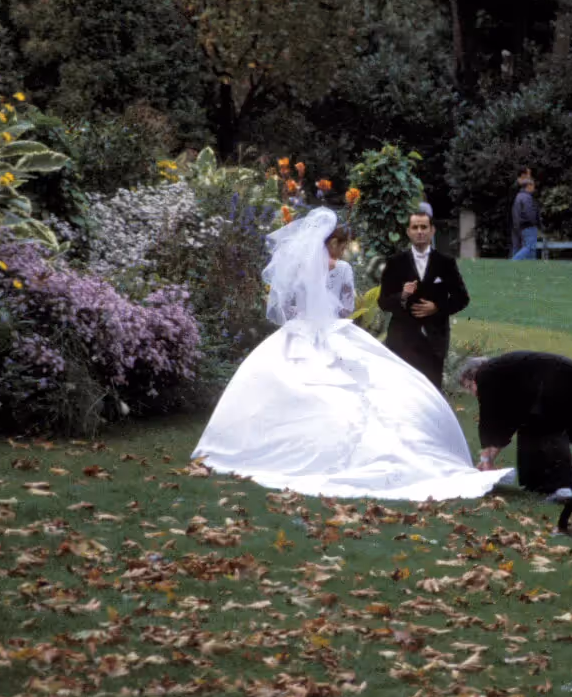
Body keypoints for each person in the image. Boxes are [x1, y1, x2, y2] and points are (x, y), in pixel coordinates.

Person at [192, 208, 511, 499]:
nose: (343, 251)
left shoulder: (298, 269)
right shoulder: (342, 269)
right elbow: (346, 309)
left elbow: (284, 308)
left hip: (298, 335)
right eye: (342, 245)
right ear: (334, 243)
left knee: (282, 386)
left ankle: (268, 444)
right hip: (334, 332)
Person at [458, 352, 572, 504]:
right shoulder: (501, 375)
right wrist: (488, 460)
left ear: (474, 376)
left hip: (563, 380)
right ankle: (537, 484)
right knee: (530, 426)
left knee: (549, 430)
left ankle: (563, 489)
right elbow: (505, 425)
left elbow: (488, 422)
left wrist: (486, 460)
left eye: (469, 387)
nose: (473, 393)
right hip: (561, 380)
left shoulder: (485, 375)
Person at [379, 212, 471, 388]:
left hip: (434, 339)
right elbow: (383, 302)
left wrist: (437, 307)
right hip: (402, 340)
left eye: (424, 227)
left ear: (432, 230)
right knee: (401, 389)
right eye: (415, 227)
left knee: (432, 389)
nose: (420, 231)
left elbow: (462, 298)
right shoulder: (395, 262)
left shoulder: (445, 262)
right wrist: (402, 295)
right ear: (408, 231)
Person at [511, 177, 540, 260]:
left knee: (531, 249)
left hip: (521, 226)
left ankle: (530, 266)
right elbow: (529, 213)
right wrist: (534, 223)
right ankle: (513, 262)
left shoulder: (519, 196)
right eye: (533, 185)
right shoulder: (526, 197)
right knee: (529, 247)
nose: (534, 187)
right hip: (528, 226)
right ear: (528, 186)